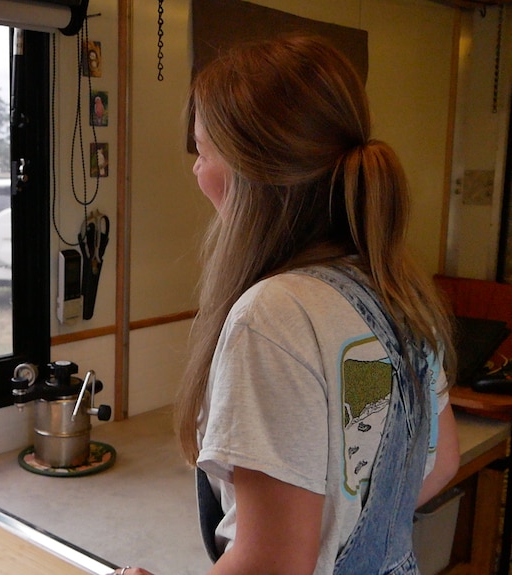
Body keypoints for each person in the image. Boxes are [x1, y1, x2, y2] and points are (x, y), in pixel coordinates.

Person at [119, 36, 460, 575]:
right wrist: (345, 526)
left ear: (248, 175)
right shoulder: (397, 290)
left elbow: (273, 564)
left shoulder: (274, 314)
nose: (195, 172)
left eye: (203, 153)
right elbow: (439, 466)